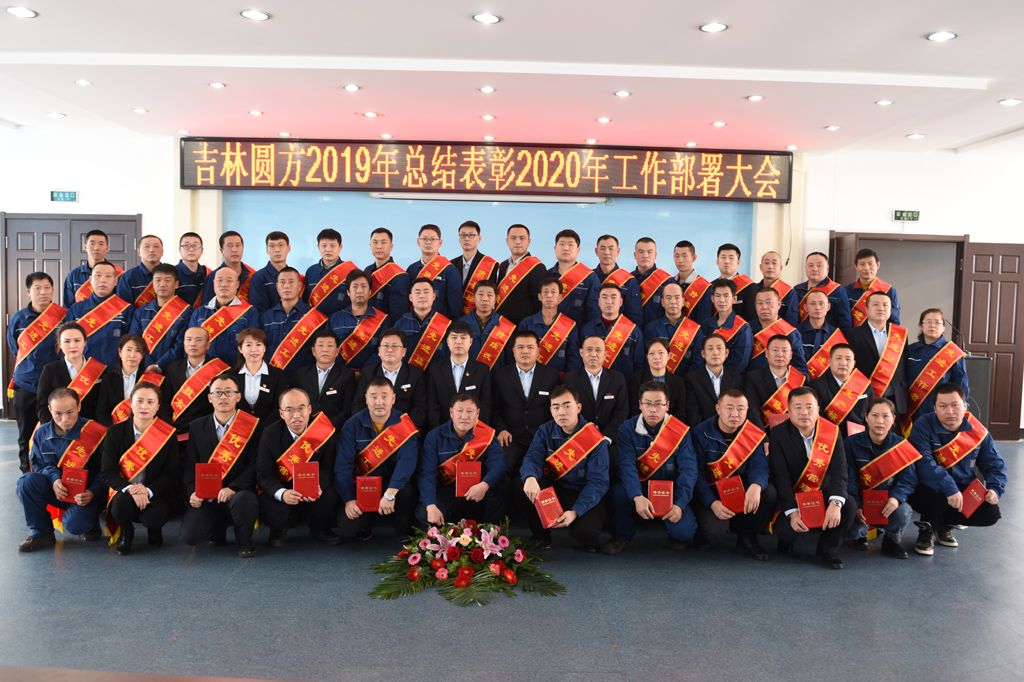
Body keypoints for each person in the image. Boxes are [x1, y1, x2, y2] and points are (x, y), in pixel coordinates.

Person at [908, 383, 1006, 555]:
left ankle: (943, 524)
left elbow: (994, 464)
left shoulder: (978, 431)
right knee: (935, 493)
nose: (950, 411)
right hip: (929, 487)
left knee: (991, 514)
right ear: (935, 408)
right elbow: (923, 463)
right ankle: (927, 529)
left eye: (955, 405)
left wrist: (995, 489)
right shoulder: (923, 425)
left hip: (962, 488)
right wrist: (949, 487)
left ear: (965, 406)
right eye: (943, 406)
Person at [604, 381, 698, 555]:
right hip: (641, 486)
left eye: (658, 404)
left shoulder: (681, 431)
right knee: (618, 493)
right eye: (648, 404)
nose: (653, 409)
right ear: (640, 405)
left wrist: (679, 504)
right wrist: (637, 495)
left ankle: (675, 535)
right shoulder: (627, 428)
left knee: (683, 531)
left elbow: (689, 471)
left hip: (671, 490)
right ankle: (621, 536)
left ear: (667, 405)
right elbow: (626, 465)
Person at [768, 386, 855, 569]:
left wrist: (835, 503)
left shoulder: (832, 432)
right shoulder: (778, 434)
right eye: (798, 407)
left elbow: (840, 471)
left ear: (818, 409)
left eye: (809, 407)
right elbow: (781, 477)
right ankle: (786, 540)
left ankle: (827, 550)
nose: (804, 412)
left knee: (848, 506)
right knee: (787, 531)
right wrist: (793, 513)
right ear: (789, 410)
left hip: (823, 492)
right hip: (794, 496)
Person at [517, 385, 610, 552]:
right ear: (551, 410)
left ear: (578, 408)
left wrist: (575, 511)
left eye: (567, 406)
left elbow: (598, 482)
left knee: (587, 534)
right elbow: (532, 458)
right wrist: (530, 477)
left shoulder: (595, 439)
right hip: (556, 489)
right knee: (521, 483)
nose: (561, 412)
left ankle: (586, 535)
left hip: (582, 492)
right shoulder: (544, 431)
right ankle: (541, 536)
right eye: (556, 407)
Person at [15, 388, 106, 551]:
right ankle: (42, 533)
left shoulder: (97, 432)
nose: (64, 419)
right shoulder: (41, 433)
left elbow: (106, 471)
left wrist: (92, 492)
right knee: (26, 482)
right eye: (58, 413)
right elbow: (39, 465)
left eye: (70, 412)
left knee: (76, 525)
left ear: (79, 407)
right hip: (59, 490)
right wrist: (54, 479)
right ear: (49, 409)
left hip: (88, 494)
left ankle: (91, 523)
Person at [180, 375, 260, 558]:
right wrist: (193, 492)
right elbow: (190, 464)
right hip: (207, 495)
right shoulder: (197, 426)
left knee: (243, 501)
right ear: (210, 398)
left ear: (238, 397)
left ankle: (245, 541)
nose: (223, 397)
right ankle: (218, 529)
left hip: (239, 492)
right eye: (217, 393)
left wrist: (233, 488)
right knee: (189, 536)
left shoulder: (253, 425)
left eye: (228, 392)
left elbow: (255, 464)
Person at [691, 389, 774, 560]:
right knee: (714, 530)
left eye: (740, 409)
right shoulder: (700, 433)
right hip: (712, 493)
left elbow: (759, 467)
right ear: (718, 409)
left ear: (747, 410)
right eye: (729, 408)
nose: (735, 414)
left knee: (769, 493)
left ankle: (747, 538)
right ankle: (703, 533)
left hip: (741, 490)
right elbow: (697, 476)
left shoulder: (753, 434)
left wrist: (756, 486)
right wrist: (712, 503)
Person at [336, 377, 420, 540]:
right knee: (349, 524)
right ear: (366, 398)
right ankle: (367, 522)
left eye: (384, 396)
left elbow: (407, 463)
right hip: (364, 483)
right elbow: (343, 466)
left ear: (393, 398)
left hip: (392, 483)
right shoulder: (352, 425)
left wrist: (390, 494)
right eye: (374, 396)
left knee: (407, 490)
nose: (379, 402)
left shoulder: (405, 425)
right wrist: (349, 500)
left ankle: (404, 530)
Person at [101, 381, 179, 556]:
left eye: (150, 402)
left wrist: (147, 491)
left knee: (153, 518)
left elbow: (171, 472)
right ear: (130, 403)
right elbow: (107, 472)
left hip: (156, 491)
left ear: (158, 406)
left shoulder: (168, 434)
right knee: (120, 507)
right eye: (139, 401)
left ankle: (154, 529)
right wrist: (132, 489)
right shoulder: (115, 432)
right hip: (125, 490)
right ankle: (126, 532)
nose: (144, 406)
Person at [256, 388, 341, 546]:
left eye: (301, 408)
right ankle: (278, 528)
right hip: (283, 484)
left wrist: (317, 485)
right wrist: (282, 493)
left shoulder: (324, 431)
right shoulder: (270, 434)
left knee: (330, 494)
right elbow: (264, 475)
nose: (296, 415)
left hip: (313, 484)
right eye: (289, 410)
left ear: (309, 409)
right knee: (270, 502)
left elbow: (328, 468)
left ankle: (319, 528)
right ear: (281, 413)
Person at [417, 393, 510, 526]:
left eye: (470, 411)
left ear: (477, 413)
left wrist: (485, 485)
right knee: (424, 514)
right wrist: (430, 505)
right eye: (459, 411)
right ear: (451, 412)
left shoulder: (486, 434)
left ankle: (490, 531)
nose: (464, 416)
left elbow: (499, 463)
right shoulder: (434, 437)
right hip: (447, 490)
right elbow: (426, 473)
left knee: (503, 484)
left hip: (478, 489)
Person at [844, 397, 919, 560]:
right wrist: (857, 505)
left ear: (893, 419)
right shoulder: (851, 443)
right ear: (866, 417)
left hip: (888, 501)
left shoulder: (901, 446)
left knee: (902, 512)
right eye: (875, 415)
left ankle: (891, 539)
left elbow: (908, 480)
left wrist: (896, 498)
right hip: (861, 500)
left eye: (885, 416)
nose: (880, 421)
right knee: (853, 528)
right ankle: (860, 536)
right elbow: (848, 478)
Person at [8, 272, 65, 473]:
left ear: (53, 290)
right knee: (25, 434)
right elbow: (15, 349)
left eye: (47, 287)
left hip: (55, 386)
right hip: (26, 384)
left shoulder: (63, 316)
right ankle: (26, 472)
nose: (43, 292)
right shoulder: (18, 318)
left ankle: (52, 472)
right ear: (28, 292)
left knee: (55, 431)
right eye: (37, 288)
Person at [490, 329, 561, 476]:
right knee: (500, 468)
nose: (525, 351)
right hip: (511, 437)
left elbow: (556, 409)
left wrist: (547, 433)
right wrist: (501, 429)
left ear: (538, 351)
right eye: (520, 347)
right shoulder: (500, 375)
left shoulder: (551, 375)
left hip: (541, 437)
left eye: (530, 347)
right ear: (513, 351)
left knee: (549, 470)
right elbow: (494, 409)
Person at [845, 291, 909, 419]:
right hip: (865, 395)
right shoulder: (852, 335)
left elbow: (905, 365)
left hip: (895, 397)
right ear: (866, 309)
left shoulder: (900, 335)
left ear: (890, 310)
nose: (881, 308)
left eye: (885, 305)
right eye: (876, 304)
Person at [563, 335, 629, 459]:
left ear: (605, 354)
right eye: (589, 350)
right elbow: (568, 411)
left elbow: (621, 412)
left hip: (610, 439)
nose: (593, 354)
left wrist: (606, 438)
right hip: (579, 438)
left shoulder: (617, 378)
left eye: (598, 350)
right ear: (581, 353)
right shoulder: (570, 379)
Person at [905, 308, 969, 432]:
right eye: (928, 322)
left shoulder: (953, 353)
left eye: (937, 322)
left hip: (943, 408)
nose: (932, 325)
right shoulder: (910, 350)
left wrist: (962, 406)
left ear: (943, 327)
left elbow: (961, 382)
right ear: (921, 326)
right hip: (913, 407)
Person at [160, 327, 228, 440]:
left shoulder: (221, 370)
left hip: (207, 430)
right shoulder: (172, 369)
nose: (192, 343)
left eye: (198, 340)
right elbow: (166, 402)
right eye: (189, 339)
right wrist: (168, 427)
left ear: (208, 345)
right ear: (184, 343)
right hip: (177, 429)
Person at [352, 328, 427, 429]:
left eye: (395, 346)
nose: (390, 350)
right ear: (379, 351)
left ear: (404, 352)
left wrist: (405, 430)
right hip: (372, 429)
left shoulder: (415, 374)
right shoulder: (368, 372)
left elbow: (419, 407)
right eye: (386, 346)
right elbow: (359, 404)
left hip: (404, 430)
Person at [261, 266, 325, 381]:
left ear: (299, 286)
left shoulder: (314, 317)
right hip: (272, 379)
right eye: (282, 282)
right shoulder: (266, 318)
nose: (286, 286)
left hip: (305, 379)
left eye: (291, 282)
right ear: (277, 287)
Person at [426, 321, 492, 430]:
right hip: (443, 429)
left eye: (463, 338)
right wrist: (437, 432)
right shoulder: (435, 369)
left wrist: (479, 431)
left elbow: (485, 404)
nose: (458, 341)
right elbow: (433, 405)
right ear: (447, 341)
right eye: (454, 337)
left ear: (471, 341)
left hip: (473, 430)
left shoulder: (482, 370)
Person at [66, 261, 133, 368]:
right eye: (98, 275)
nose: (102, 280)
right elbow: (65, 343)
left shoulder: (126, 310)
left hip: (115, 371)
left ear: (115, 281)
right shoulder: (76, 310)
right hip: (82, 371)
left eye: (108, 276)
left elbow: (131, 344)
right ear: (90, 280)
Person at [189, 266, 260, 365]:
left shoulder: (249, 312)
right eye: (219, 280)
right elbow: (189, 344)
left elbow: (253, 347)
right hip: (205, 369)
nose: (224, 284)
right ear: (214, 283)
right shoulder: (199, 312)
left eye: (229, 281)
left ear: (237, 284)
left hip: (237, 369)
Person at [36, 322, 105, 424]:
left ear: (85, 342)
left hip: (90, 427)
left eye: (77, 340)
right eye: (67, 341)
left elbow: (103, 407)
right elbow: (42, 407)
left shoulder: (99, 370)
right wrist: (56, 428)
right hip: (60, 427)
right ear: (60, 344)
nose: (72, 346)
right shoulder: (50, 370)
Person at [290, 329, 357, 431]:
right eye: (320, 345)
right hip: (303, 429)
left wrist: (327, 425)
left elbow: (348, 408)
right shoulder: (300, 374)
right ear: (313, 351)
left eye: (330, 346)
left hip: (334, 430)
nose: (325, 349)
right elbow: (292, 403)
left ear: (337, 351)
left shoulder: (347, 375)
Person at [128, 263, 191, 370]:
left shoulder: (186, 311)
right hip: (144, 369)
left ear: (176, 284)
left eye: (167, 280)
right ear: (152, 283)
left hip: (174, 369)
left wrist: (159, 366)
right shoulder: (141, 312)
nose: (162, 284)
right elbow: (134, 341)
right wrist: (149, 364)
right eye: (158, 280)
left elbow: (181, 344)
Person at [96, 334, 165, 427]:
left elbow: (159, 410)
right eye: (128, 350)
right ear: (120, 352)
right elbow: (102, 412)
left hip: (144, 429)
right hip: (114, 429)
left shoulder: (152, 379)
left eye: (138, 351)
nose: (132, 355)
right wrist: (112, 431)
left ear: (143, 355)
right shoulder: (108, 379)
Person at [580, 283, 645, 378]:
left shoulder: (634, 331)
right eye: (604, 297)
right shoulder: (586, 330)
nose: (609, 301)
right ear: (599, 302)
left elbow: (639, 365)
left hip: (625, 384)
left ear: (621, 302)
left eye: (613, 297)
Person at [327, 269, 387, 372]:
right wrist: (344, 373)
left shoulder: (383, 320)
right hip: (339, 374)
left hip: (372, 375)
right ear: (348, 292)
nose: (359, 290)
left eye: (363, 286)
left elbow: (383, 350)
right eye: (355, 287)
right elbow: (328, 347)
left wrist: (364, 373)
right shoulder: (334, 319)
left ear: (370, 291)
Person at [518, 278, 581, 374]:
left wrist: (568, 379)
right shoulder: (526, 323)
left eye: (553, 292)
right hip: (531, 376)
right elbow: (520, 353)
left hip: (559, 378)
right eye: (545, 292)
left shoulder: (569, 325)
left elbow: (573, 358)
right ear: (539, 296)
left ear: (560, 297)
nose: (549, 295)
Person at [809, 343, 875, 433]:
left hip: (860, 436)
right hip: (831, 435)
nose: (843, 363)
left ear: (854, 364)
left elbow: (873, 413)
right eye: (838, 358)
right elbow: (817, 418)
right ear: (829, 362)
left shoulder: (865, 385)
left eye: (848, 359)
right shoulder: (816, 385)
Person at [643, 281, 704, 377]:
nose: (673, 302)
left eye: (677, 297)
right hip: (657, 380)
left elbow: (697, 361)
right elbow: (647, 359)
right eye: (668, 298)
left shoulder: (695, 329)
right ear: (662, 302)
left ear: (683, 301)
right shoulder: (652, 328)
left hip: (687, 381)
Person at [744, 335, 807, 428]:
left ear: (791, 355)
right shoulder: (753, 378)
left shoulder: (800, 379)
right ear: (766, 353)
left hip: (795, 431)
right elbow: (753, 412)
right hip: (766, 431)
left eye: (784, 350)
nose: (780, 354)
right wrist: (763, 436)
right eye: (775, 350)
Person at [230, 328, 286, 429]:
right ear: (240, 349)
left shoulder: (277, 375)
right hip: (238, 429)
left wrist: (263, 428)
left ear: (264, 348)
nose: (254, 349)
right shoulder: (231, 375)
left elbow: (279, 406)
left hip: (269, 430)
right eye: (248, 345)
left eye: (258, 344)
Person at [684, 333, 744, 426]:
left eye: (719, 348)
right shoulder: (691, 379)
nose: (715, 352)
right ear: (703, 354)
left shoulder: (736, 378)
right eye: (710, 348)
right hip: (702, 431)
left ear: (726, 353)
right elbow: (693, 414)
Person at [394, 277, 452, 372]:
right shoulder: (400, 324)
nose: (422, 296)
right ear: (410, 297)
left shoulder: (446, 324)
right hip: (408, 375)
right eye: (417, 292)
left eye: (426, 292)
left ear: (433, 296)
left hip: (438, 375)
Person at [748, 287, 808, 377]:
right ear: (755, 305)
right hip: (751, 381)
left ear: (779, 304)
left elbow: (799, 366)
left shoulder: (790, 332)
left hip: (781, 383)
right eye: (760, 303)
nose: (764, 307)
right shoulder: (747, 329)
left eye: (769, 302)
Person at [406, 224, 462, 320]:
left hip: (439, 326)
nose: (428, 242)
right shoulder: (411, 269)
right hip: (414, 324)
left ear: (440, 242)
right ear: (418, 242)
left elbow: (456, 308)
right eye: (424, 239)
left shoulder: (450, 271)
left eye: (432, 239)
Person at [458, 280, 516, 370]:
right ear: (474, 297)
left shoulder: (506, 326)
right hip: (468, 375)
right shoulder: (460, 324)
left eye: (489, 295)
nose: (485, 298)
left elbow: (510, 360)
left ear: (495, 299)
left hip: (496, 375)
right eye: (480, 294)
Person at [494, 223, 546, 324]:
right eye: (513, 238)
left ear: (529, 242)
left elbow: (539, 302)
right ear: (507, 241)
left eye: (522, 238)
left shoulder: (537, 267)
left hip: (524, 325)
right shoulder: (503, 266)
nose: (518, 242)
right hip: (501, 324)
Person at [545, 229, 600, 325]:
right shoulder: (546, 275)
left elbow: (594, 313)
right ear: (555, 248)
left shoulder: (589, 277)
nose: (566, 248)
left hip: (577, 332)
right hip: (549, 331)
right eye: (562, 244)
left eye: (570, 244)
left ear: (578, 250)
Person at [628, 338, 687, 423]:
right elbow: (634, 411)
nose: (656, 357)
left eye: (661, 353)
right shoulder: (636, 379)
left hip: (669, 426)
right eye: (652, 353)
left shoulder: (678, 382)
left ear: (669, 356)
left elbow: (680, 414)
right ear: (647, 356)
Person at [699, 278, 752, 374]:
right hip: (705, 376)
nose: (722, 300)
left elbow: (740, 361)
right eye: (718, 296)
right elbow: (700, 354)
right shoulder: (705, 325)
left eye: (726, 296)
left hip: (731, 377)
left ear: (734, 299)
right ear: (712, 299)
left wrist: (720, 376)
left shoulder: (743, 328)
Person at [304, 228, 359, 317]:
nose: (328, 249)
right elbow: (306, 301)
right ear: (318, 247)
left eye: (332, 246)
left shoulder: (351, 272)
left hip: (342, 321)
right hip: (315, 322)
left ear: (340, 247)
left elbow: (357, 302)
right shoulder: (311, 271)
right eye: (324, 246)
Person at [450, 220, 499, 317]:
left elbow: (492, 295)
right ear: (459, 239)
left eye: (471, 235)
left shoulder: (489, 265)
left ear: (479, 238)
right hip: (454, 317)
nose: (467, 238)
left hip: (478, 318)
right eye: (463, 235)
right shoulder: (451, 264)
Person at [63, 229, 123, 307]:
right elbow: (67, 307)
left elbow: (122, 304)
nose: (96, 248)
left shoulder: (119, 274)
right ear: (85, 247)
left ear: (107, 248)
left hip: (110, 314)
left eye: (101, 244)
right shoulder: (74, 275)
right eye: (92, 243)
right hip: (81, 314)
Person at [793, 252, 851, 329]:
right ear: (806, 268)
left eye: (819, 265)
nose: (814, 269)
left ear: (827, 268)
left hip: (828, 335)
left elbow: (844, 321)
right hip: (800, 334)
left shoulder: (837, 290)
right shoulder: (797, 289)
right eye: (811, 265)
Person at [798, 289, 847, 380]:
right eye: (812, 304)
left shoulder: (836, 335)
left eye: (821, 303)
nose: (817, 307)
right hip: (801, 382)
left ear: (828, 306)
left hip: (828, 384)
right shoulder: (796, 333)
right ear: (805, 307)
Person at [594, 234, 642, 325]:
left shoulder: (629, 280)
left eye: (611, 248)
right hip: (593, 329)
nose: (607, 252)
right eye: (603, 248)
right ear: (596, 251)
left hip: (619, 331)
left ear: (618, 251)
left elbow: (634, 315)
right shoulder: (589, 277)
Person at [846, 248, 900, 326]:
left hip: (880, 333)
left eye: (870, 263)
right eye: (862, 264)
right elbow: (844, 318)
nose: (866, 268)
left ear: (878, 265)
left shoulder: (889, 290)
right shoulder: (847, 290)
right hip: (853, 333)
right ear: (856, 266)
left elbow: (894, 320)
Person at [201, 231, 257, 305]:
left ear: (242, 248)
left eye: (238, 245)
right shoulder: (213, 277)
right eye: (229, 246)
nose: (234, 250)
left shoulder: (253, 275)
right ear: (221, 251)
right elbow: (208, 307)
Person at [365, 227, 411, 317]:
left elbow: (398, 314)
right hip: (364, 323)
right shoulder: (367, 270)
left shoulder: (400, 276)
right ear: (370, 245)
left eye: (383, 242)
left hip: (386, 324)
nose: (379, 246)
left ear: (391, 247)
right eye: (375, 242)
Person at [248, 231, 293, 315]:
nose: (277, 250)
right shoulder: (259, 277)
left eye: (281, 245)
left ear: (288, 248)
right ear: (267, 250)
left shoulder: (295, 277)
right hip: (270, 322)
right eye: (272, 246)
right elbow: (259, 311)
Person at [631, 237, 673, 327]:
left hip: (658, 332)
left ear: (655, 255)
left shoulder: (668, 281)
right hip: (632, 331)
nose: (645, 256)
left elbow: (674, 313)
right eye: (641, 252)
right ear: (635, 255)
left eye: (649, 252)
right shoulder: (627, 279)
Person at [115, 234, 164, 308]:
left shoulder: (171, 274)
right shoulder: (128, 277)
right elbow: (123, 307)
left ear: (162, 252)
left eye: (156, 246)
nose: (151, 250)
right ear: (139, 252)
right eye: (146, 246)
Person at [753, 251, 799, 326]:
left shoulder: (789, 292)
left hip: (780, 331)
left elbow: (791, 322)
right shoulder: (753, 289)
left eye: (774, 263)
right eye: (767, 263)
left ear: (780, 268)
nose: (770, 266)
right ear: (761, 267)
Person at [672, 240, 714, 322]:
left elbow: (704, 321)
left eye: (684, 256)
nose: (680, 260)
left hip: (692, 329)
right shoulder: (670, 283)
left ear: (694, 258)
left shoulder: (705, 288)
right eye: (677, 256)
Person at [714, 243, 756, 320]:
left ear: (738, 262)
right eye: (723, 257)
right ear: (717, 262)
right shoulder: (711, 285)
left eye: (731, 258)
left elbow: (751, 316)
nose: (727, 261)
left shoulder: (749, 287)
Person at [174, 232, 209, 308]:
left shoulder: (208, 273)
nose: (191, 249)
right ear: (180, 250)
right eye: (186, 245)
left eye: (196, 245)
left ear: (202, 250)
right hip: (179, 314)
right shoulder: (172, 274)